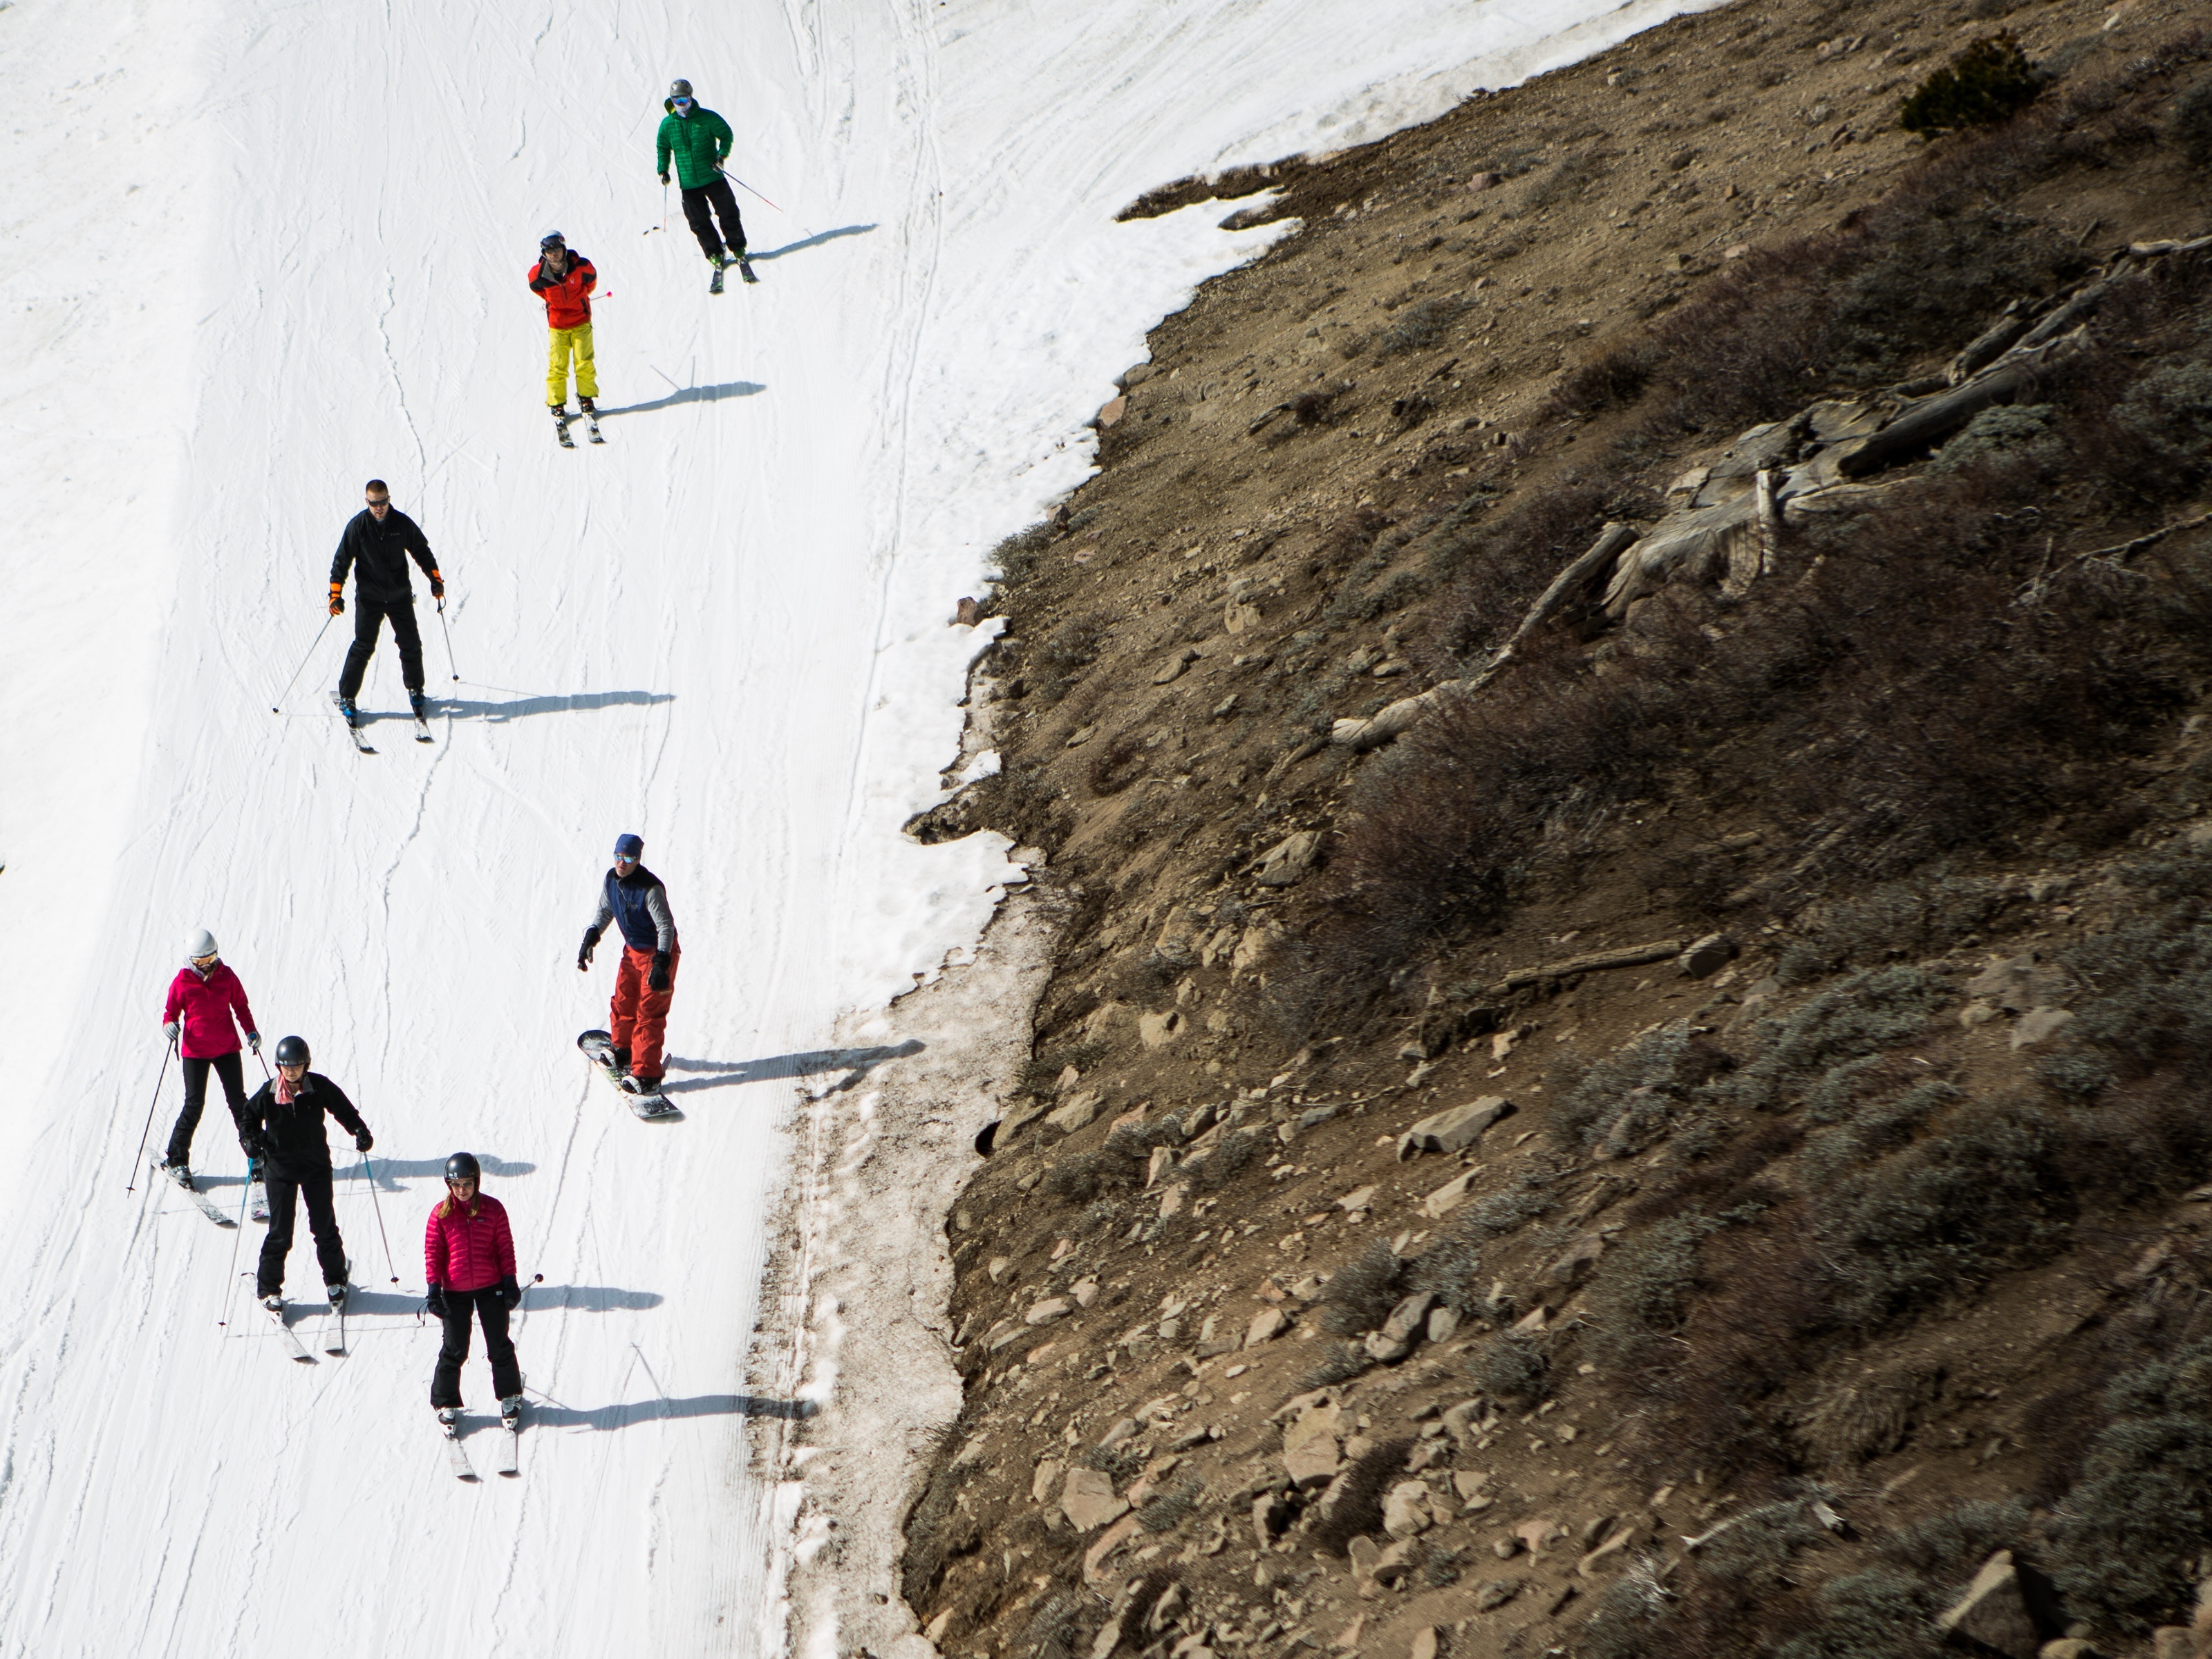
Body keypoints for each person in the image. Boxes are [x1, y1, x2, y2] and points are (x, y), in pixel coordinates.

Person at [238, 1035, 372, 1311]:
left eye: (296, 1067)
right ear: (279, 1067)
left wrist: (359, 1130)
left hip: (316, 1168)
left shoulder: (318, 1087)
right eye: (286, 1067)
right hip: (280, 1171)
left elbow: (343, 1109)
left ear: (306, 1065)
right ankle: (269, 1289)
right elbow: (247, 1118)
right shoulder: (270, 1092)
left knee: (324, 1228)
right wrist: (249, 1141)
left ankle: (336, 1279)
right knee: (280, 1232)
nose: (291, 1072)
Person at [329, 478, 444, 724]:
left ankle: (416, 691)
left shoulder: (401, 524)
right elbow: (341, 561)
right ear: (367, 502)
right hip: (369, 599)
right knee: (363, 646)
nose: (379, 507)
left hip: (399, 596)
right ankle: (347, 696)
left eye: (383, 502)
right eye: (374, 503)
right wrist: (335, 595)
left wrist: (435, 579)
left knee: (410, 644)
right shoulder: (358, 527)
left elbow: (422, 551)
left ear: (388, 499)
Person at [424, 1152, 523, 1430]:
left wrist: (509, 1281)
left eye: (467, 1184)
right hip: (454, 1290)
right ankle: (445, 1400)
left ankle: (510, 1395)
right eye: (456, 1185)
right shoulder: (441, 1214)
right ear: (449, 1186)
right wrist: (434, 1290)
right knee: (455, 1348)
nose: (462, 1190)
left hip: (491, 1287)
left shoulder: (493, 1210)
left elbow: (505, 1248)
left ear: (476, 1182)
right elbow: (433, 1253)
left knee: (498, 1344)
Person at [577, 832, 680, 1096]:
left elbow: (665, 927)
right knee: (624, 998)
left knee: (649, 1013)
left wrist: (661, 963)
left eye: (629, 858)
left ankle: (647, 1074)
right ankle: (622, 1049)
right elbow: (606, 910)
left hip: (658, 954)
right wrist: (592, 935)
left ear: (638, 859)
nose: (622, 863)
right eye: (618, 857)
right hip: (633, 951)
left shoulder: (650, 889)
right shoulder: (612, 880)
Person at [156, 928, 260, 1189]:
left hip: (226, 1047)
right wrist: (169, 1024)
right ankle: (177, 1158)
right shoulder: (182, 982)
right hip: (196, 1052)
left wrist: (251, 1031)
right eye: (201, 962)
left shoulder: (227, 976)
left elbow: (241, 1006)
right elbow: (171, 1011)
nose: (207, 966)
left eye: (211, 959)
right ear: (191, 961)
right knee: (194, 1104)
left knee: (239, 1102)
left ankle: (257, 1152)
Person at [655, 78, 746, 288]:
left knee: (728, 212)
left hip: (713, 177)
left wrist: (721, 156)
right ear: (672, 101)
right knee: (698, 222)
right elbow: (662, 147)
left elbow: (726, 134)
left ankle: (737, 247)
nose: (682, 104)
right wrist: (663, 169)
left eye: (685, 99)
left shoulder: (706, 118)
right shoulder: (668, 125)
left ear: (691, 97)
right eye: (677, 100)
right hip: (689, 184)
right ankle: (714, 252)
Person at [528, 231, 599, 433]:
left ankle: (586, 399)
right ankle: (556, 403)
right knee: (557, 365)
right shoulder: (537, 275)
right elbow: (538, 289)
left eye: (557, 250)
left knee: (584, 361)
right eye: (549, 252)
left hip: (581, 321)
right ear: (544, 254)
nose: (554, 255)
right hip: (558, 326)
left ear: (564, 249)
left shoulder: (582, 266)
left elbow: (591, 283)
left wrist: (581, 299)